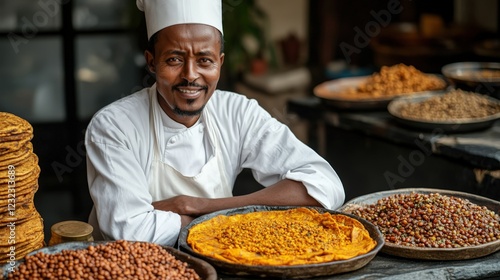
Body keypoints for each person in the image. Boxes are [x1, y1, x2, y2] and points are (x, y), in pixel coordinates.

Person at [85, 0, 345, 245]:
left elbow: (326, 187)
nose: (190, 75)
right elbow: (130, 232)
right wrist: (219, 219)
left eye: (204, 61)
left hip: (218, 260)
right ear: (152, 63)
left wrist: (195, 206)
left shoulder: (237, 112)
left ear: (219, 63)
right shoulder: (114, 126)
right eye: (174, 59)